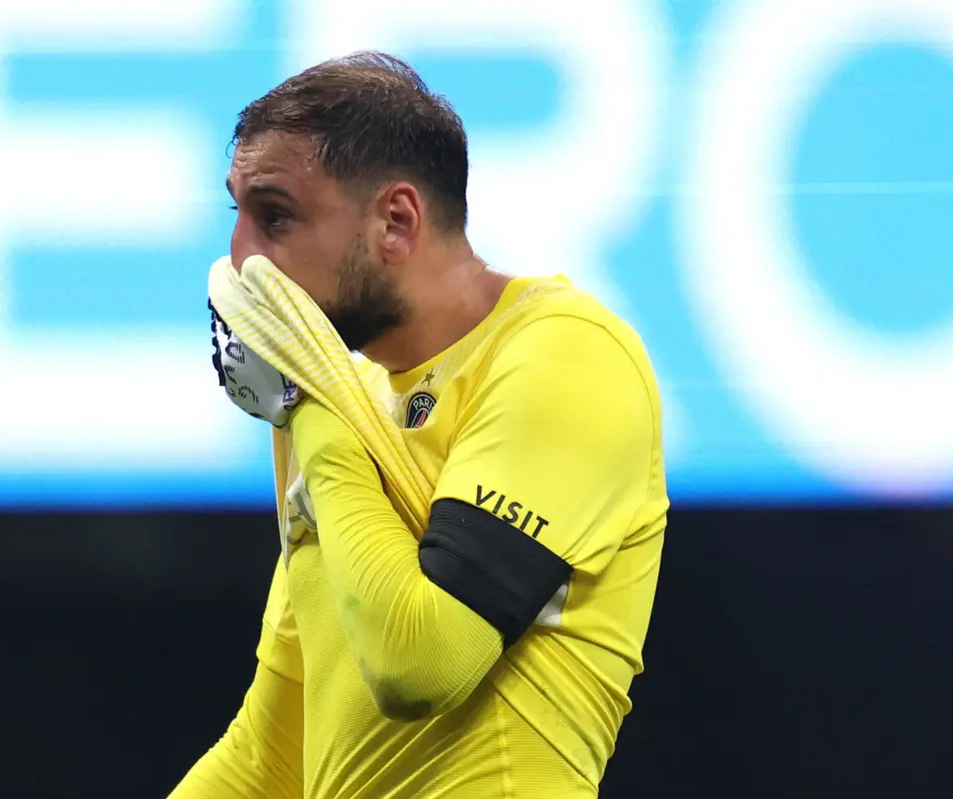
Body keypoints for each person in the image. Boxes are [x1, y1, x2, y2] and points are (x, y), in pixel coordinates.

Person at [169, 51, 668, 799]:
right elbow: (272, 754)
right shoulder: (337, 400)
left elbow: (421, 661)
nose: (242, 257)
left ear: (396, 221)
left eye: (275, 216)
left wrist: (313, 403)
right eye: (235, 213)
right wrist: (321, 404)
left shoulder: (567, 356)